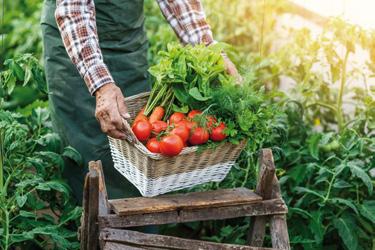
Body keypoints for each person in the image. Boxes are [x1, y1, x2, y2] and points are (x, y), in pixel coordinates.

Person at [41, 0, 240, 203]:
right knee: (86, 156)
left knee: (139, 148)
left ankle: (143, 229)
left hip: (126, 42)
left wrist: (207, 49)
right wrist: (101, 87)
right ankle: (87, 226)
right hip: (75, 42)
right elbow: (74, 9)